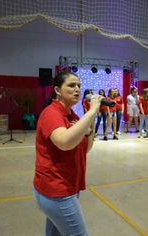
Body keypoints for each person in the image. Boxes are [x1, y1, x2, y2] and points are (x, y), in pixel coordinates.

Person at [33, 71, 103, 236]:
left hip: (69, 185)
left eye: (78, 85)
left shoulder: (72, 115)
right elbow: (64, 143)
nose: (77, 89)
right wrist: (91, 112)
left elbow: (85, 148)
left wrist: (87, 131)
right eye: (71, 85)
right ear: (57, 90)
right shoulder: (52, 113)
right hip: (57, 189)